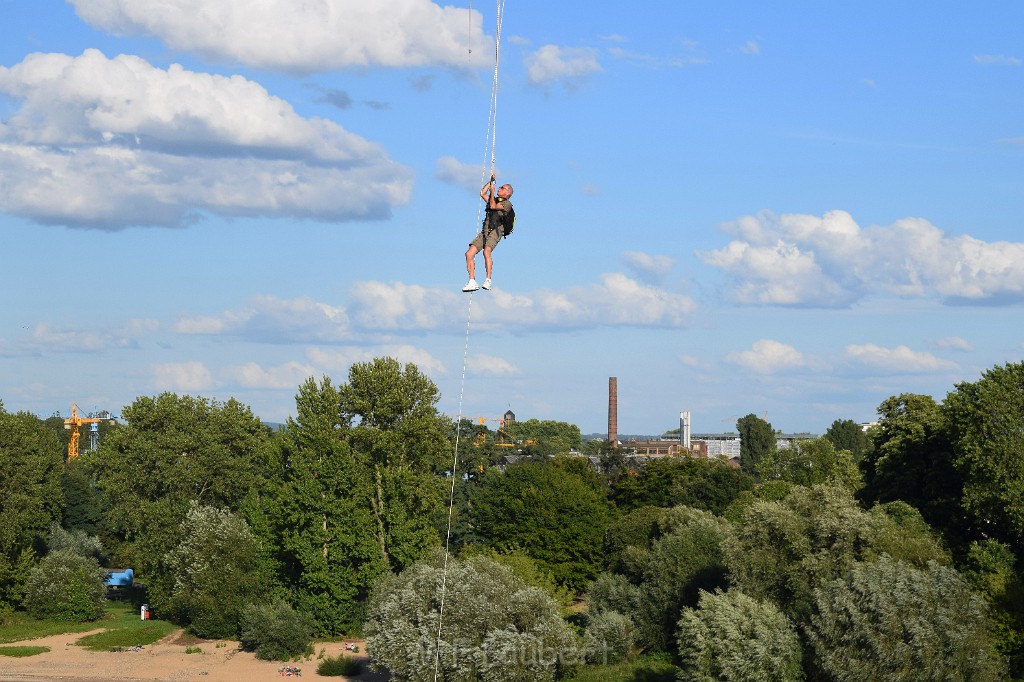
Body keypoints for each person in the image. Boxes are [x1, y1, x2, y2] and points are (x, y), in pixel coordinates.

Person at [463, 173, 514, 292]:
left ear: (507, 193)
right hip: (485, 230)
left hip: (496, 231)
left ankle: (488, 280)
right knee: (469, 254)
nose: (499, 189)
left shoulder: (507, 204)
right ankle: (472, 281)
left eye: (502, 188)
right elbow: (482, 193)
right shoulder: (494, 198)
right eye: (499, 187)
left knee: (487, 251)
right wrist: (491, 182)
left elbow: (492, 205)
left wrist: (492, 192)